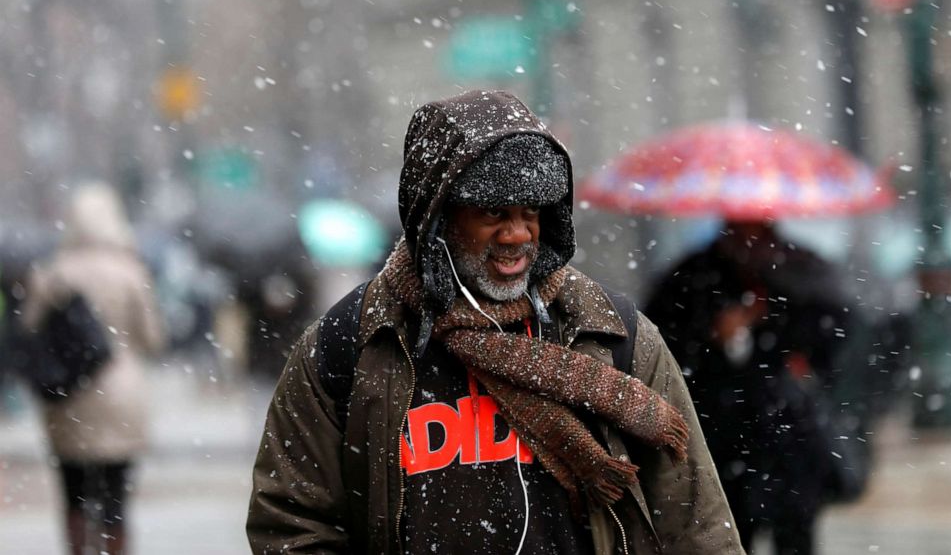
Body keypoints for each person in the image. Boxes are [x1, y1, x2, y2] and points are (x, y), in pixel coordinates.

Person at [247, 90, 744, 554]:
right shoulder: (350, 346)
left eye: (530, 212)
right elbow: (292, 523)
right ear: (436, 219)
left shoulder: (612, 334)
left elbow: (696, 525)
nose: (516, 234)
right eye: (492, 212)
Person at [643, 220, 855, 555]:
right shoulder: (693, 277)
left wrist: (804, 361)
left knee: (794, 533)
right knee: (731, 531)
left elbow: (835, 333)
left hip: (789, 436)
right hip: (725, 433)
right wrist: (713, 338)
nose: (749, 240)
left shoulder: (801, 270)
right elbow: (662, 346)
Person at [21, 183, 163, 555]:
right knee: (115, 497)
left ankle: (79, 548)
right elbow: (152, 338)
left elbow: (32, 329)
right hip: (122, 394)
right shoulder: (130, 270)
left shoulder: (52, 271)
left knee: (73, 493)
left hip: (68, 394)